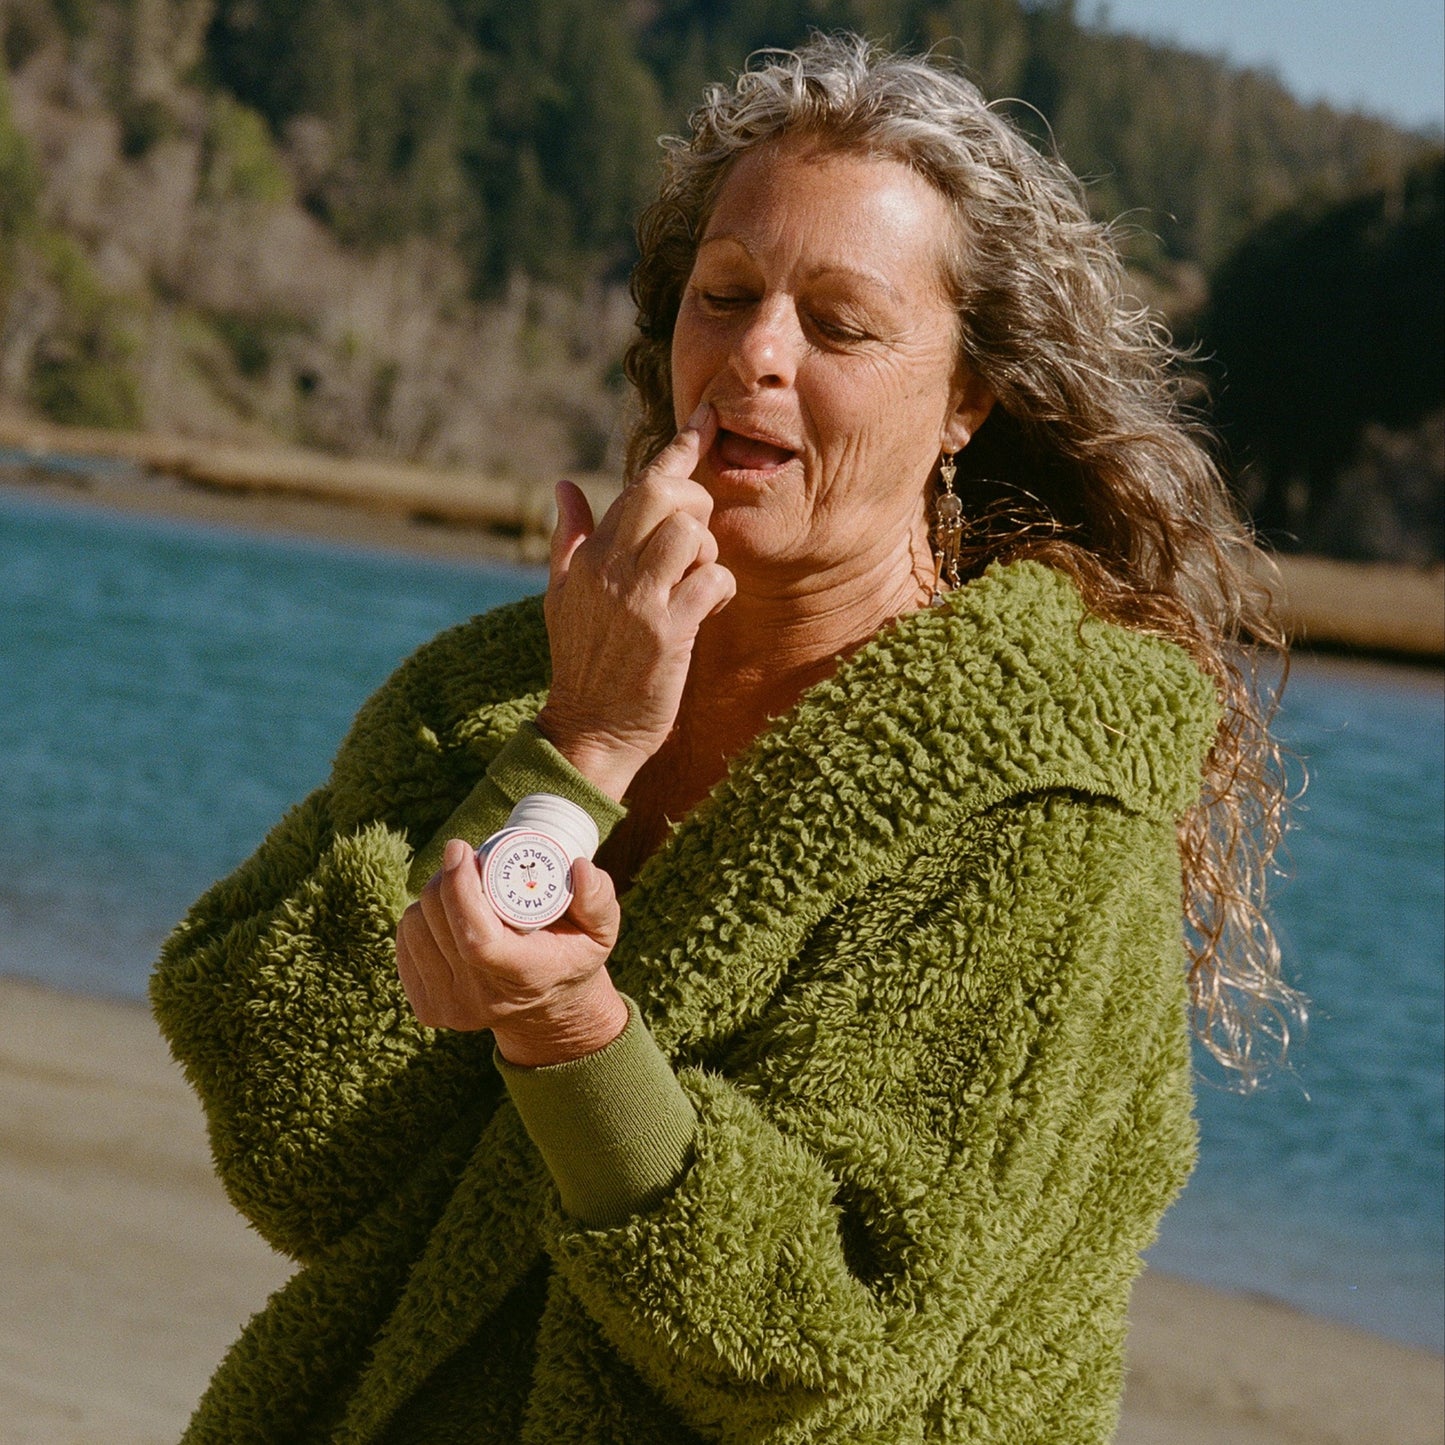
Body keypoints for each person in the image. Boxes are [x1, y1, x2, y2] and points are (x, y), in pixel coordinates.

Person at [151, 34, 1299, 1444]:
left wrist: (570, 1034)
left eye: (838, 323)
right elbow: (289, 1136)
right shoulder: (505, 689)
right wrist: (576, 755)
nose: (755, 355)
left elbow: (817, 1337)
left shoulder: (1043, 804)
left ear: (965, 399)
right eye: (727, 296)